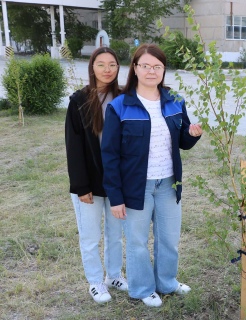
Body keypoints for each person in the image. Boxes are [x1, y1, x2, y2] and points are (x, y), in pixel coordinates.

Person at [101, 44, 203, 307]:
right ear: (135, 68)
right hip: (136, 187)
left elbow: (181, 141)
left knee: (169, 239)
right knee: (137, 242)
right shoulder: (120, 106)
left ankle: (166, 282)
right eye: (145, 66)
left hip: (168, 183)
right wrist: (115, 196)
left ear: (163, 70)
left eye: (157, 66)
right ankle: (143, 288)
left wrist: (193, 135)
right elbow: (109, 154)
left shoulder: (175, 101)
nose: (151, 71)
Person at [65, 47, 128, 303]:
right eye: (101, 64)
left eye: (112, 64)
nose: (107, 69)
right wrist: (81, 186)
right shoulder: (79, 101)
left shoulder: (124, 98)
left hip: (116, 181)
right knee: (90, 236)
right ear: (92, 68)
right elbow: (74, 146)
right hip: (89, 182)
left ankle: (114, 275)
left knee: (116, 234)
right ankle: (95, 281)